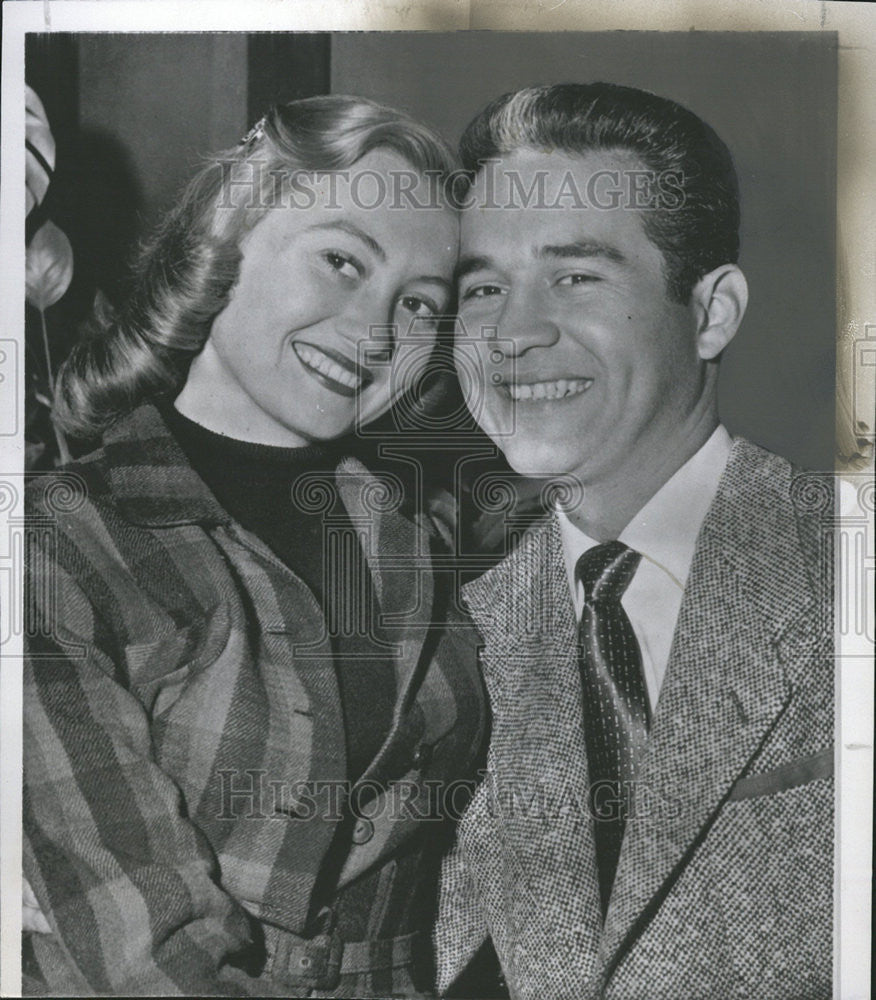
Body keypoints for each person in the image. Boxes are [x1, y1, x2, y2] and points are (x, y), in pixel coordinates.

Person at [23, 95, 486, 997]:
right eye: (343, 259)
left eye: (421, 304)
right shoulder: (56, 545)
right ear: (226, 235)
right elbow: (145, 955)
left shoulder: (421, 540)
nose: (377, 331)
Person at [436, 83, 834, 1000]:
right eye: (485, 287)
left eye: (576, 277)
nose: (514, 334)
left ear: (711, 312)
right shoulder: (443, 627)